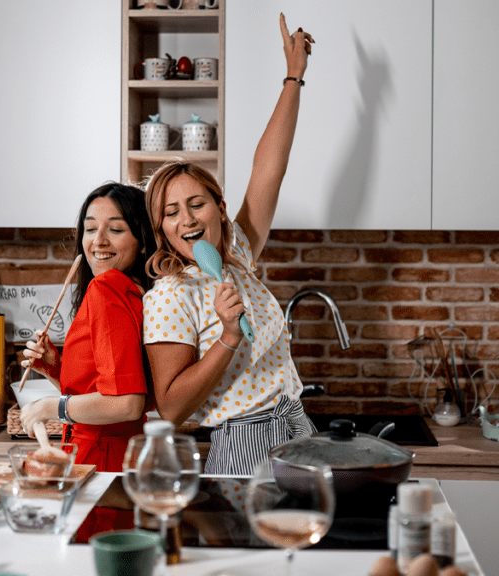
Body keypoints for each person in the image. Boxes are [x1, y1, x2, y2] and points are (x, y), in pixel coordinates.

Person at [142, 14, 315, 475]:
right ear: (162, 230)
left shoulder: (238, 255)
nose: (186, 219)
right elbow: (171, 409)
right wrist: (228, 336)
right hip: (244, 443)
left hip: (296, 425)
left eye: (196, 203)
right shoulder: (170, 296)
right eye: (171, 212)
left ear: (220, 209)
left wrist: (293, 76)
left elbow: (268, 170)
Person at [19, 182, 157, 472]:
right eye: (91, 229)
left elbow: (126, 403)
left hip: (100, 455)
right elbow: (108, 390)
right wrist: (54, 368)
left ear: (142, 240)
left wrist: (49, 407)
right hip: (121, 452)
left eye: (115, 230)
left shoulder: (106, 288)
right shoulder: (133, 291)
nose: (99, 241)